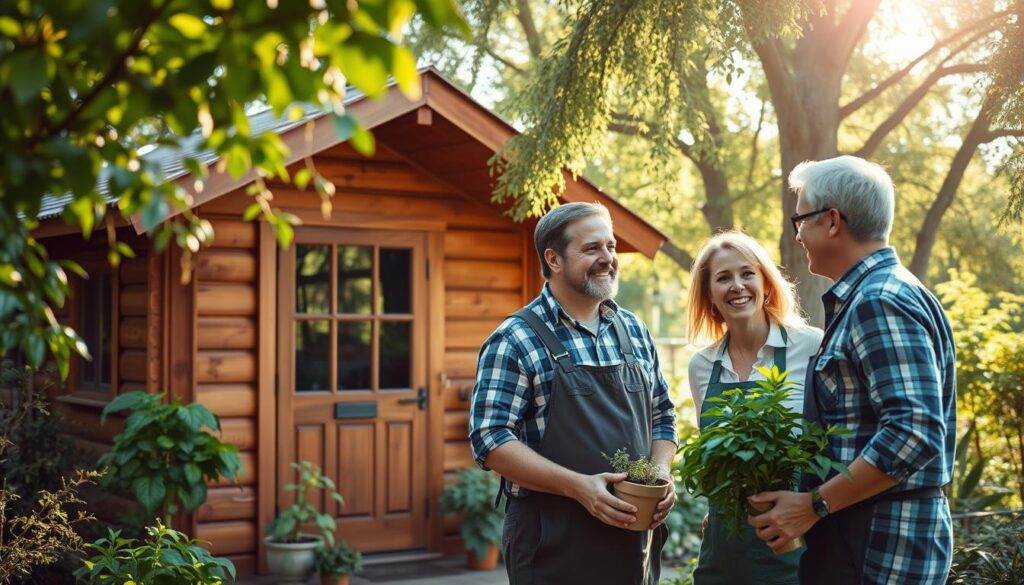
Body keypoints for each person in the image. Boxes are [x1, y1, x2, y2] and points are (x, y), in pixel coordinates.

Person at [747, 155, 956, 584]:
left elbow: (914, 431)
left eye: (800, 219)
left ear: (832, 221)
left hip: (878, 545)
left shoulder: (879, 300)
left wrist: (814, 505)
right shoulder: (879, 294)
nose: (798, 233)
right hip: (865, 537)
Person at [468, 201, 677, 585]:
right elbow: (489, 439)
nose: (608, 258)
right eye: (592, 248)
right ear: (554, 259)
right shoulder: (516, 339)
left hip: (633, 541)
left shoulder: (633, 331)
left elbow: (663, 415)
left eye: (611, 247)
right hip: (551, 540)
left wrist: (659, 474)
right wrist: (580, 488)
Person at [686, 230, 823, 585]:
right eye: (723, 278)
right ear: (709, 296)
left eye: (747, 273)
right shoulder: (701, 366)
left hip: (795, 546)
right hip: (722, 550)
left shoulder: (810, 346)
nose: (737, 285)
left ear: (766, 283)